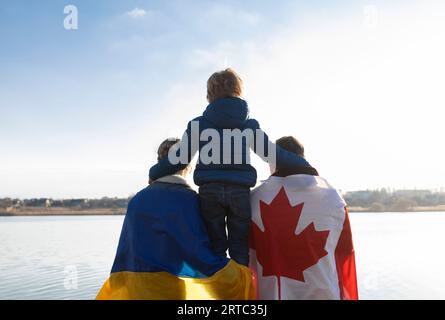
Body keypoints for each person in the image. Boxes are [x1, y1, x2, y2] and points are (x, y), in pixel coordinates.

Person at [149, 69, 314, 266]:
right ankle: (241, 290)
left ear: (209, 95)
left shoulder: (198, 125)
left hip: (209, 193)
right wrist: (305, 165)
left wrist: (154, 172)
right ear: (238, 91)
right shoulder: (249, 126)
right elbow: (272, 154)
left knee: (215, 247)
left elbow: (180, 159)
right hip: (240, 193)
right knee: (240, 247)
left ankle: (219, 289)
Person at [97, 138, 255, 300]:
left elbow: (125, 254)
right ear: (188, 166)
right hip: (171, 291)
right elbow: (198, 254)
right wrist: (238, 274)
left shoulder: (137, 200)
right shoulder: (191, 200)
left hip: (135, 291)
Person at [249, 136, 359, 300]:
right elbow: (345, 256)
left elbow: (246, 257)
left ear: (273, 160)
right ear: (302, 157)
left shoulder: (253, 199)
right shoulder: (333, 198)